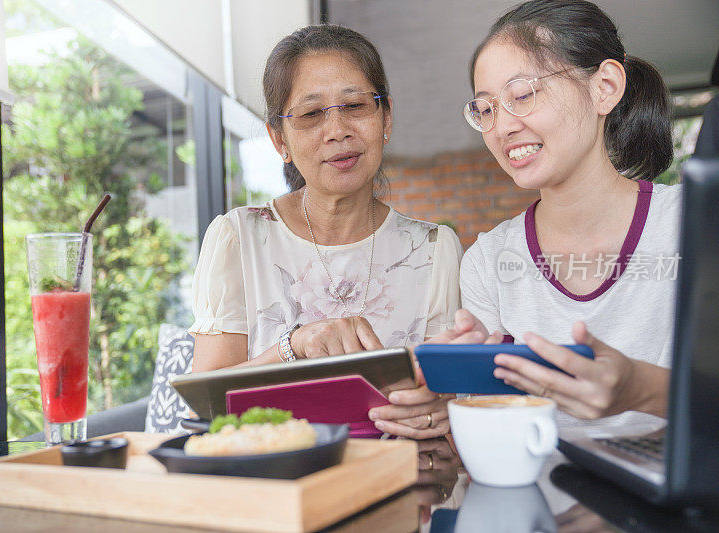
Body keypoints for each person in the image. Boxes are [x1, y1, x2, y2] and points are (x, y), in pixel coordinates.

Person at [189, 24, 463, 438]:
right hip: (276, 485)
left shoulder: (433, 251)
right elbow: (207, 405)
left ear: (386, 117)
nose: (337, 130)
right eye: (311, 113)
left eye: (355, 105)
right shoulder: (239, 239)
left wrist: (441, 412)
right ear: (279, 139)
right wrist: (292, 347)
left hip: (399, 481)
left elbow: (452, 402)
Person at [454, 0, 679, 428]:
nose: (501, 128)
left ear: (605, 87)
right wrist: (469, 383)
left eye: (521, 95)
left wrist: (641, 388)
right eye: (486, 109)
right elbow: (492, 424)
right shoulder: (488, 262)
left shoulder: (692, 225)